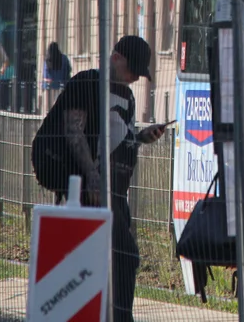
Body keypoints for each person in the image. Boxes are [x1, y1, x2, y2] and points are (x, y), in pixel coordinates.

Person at [34, 35, 167, 322]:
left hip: (115, 191)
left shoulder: (127, 96)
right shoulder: (87, 83)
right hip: (90, 189)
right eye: (132, 70)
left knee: (120, 257)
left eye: (138, 74)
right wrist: (92, 178)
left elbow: (120, 138)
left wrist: (144, 136)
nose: (133, 78)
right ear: (116, 57)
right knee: (120, 256)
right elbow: (73, 131)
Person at [42, 41, 72, 110]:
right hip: (61, 85)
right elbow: (68, 70)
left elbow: (45, 75)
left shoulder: (47, 60)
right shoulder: (64, 58)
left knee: (49, 107)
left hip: (49, 86)